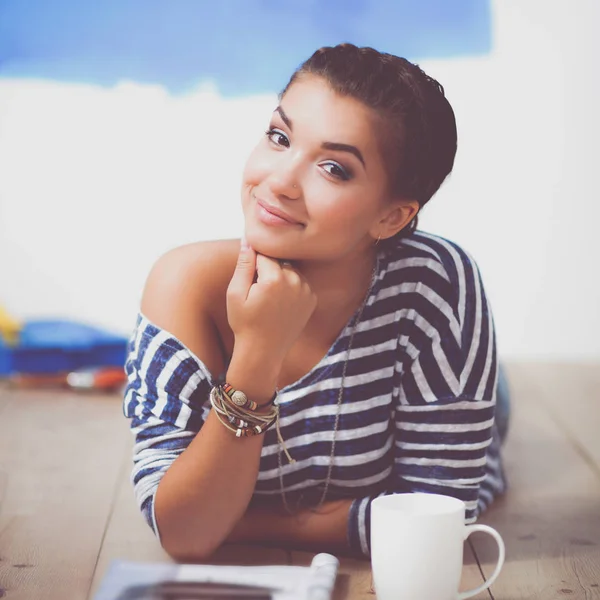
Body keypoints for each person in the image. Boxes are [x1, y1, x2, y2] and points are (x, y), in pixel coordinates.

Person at [123, 43, 509, 561]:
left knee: (495, 407)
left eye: (334, 168)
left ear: (391, 218)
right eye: (279, 137)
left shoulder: (436, 287)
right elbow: (185, 533)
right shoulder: (183, 287)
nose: (279, 181)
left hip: (454, 375)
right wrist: (256, 355)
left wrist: (245, 524)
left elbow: (437, 518)